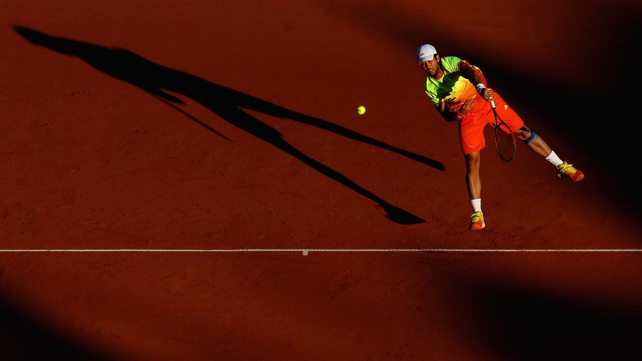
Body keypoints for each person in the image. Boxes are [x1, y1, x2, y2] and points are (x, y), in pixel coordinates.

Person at [416, 44, 584, 230]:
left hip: (486, 101)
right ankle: (477, 214)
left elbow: (470, 72)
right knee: (472, 161)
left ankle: (561, 166)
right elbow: (445, 116)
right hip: (468, 117)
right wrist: (459, 114)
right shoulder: (429, 87)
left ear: (437, 58)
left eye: (429, 61)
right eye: (423, 64)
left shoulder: (452, 62)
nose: (427, 66)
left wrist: (480, 89)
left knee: (523, 132)